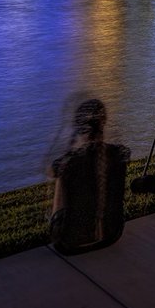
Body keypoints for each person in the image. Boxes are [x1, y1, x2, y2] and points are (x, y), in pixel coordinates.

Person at [48, 99, 130, 255]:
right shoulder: (120, 153)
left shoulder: (71, 160)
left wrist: (71, 147)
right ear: (103, 123)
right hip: (113, 234)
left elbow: (50, 171)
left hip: (69, 244)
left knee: (60, 174)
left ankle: (61, 222)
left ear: (79, 127)